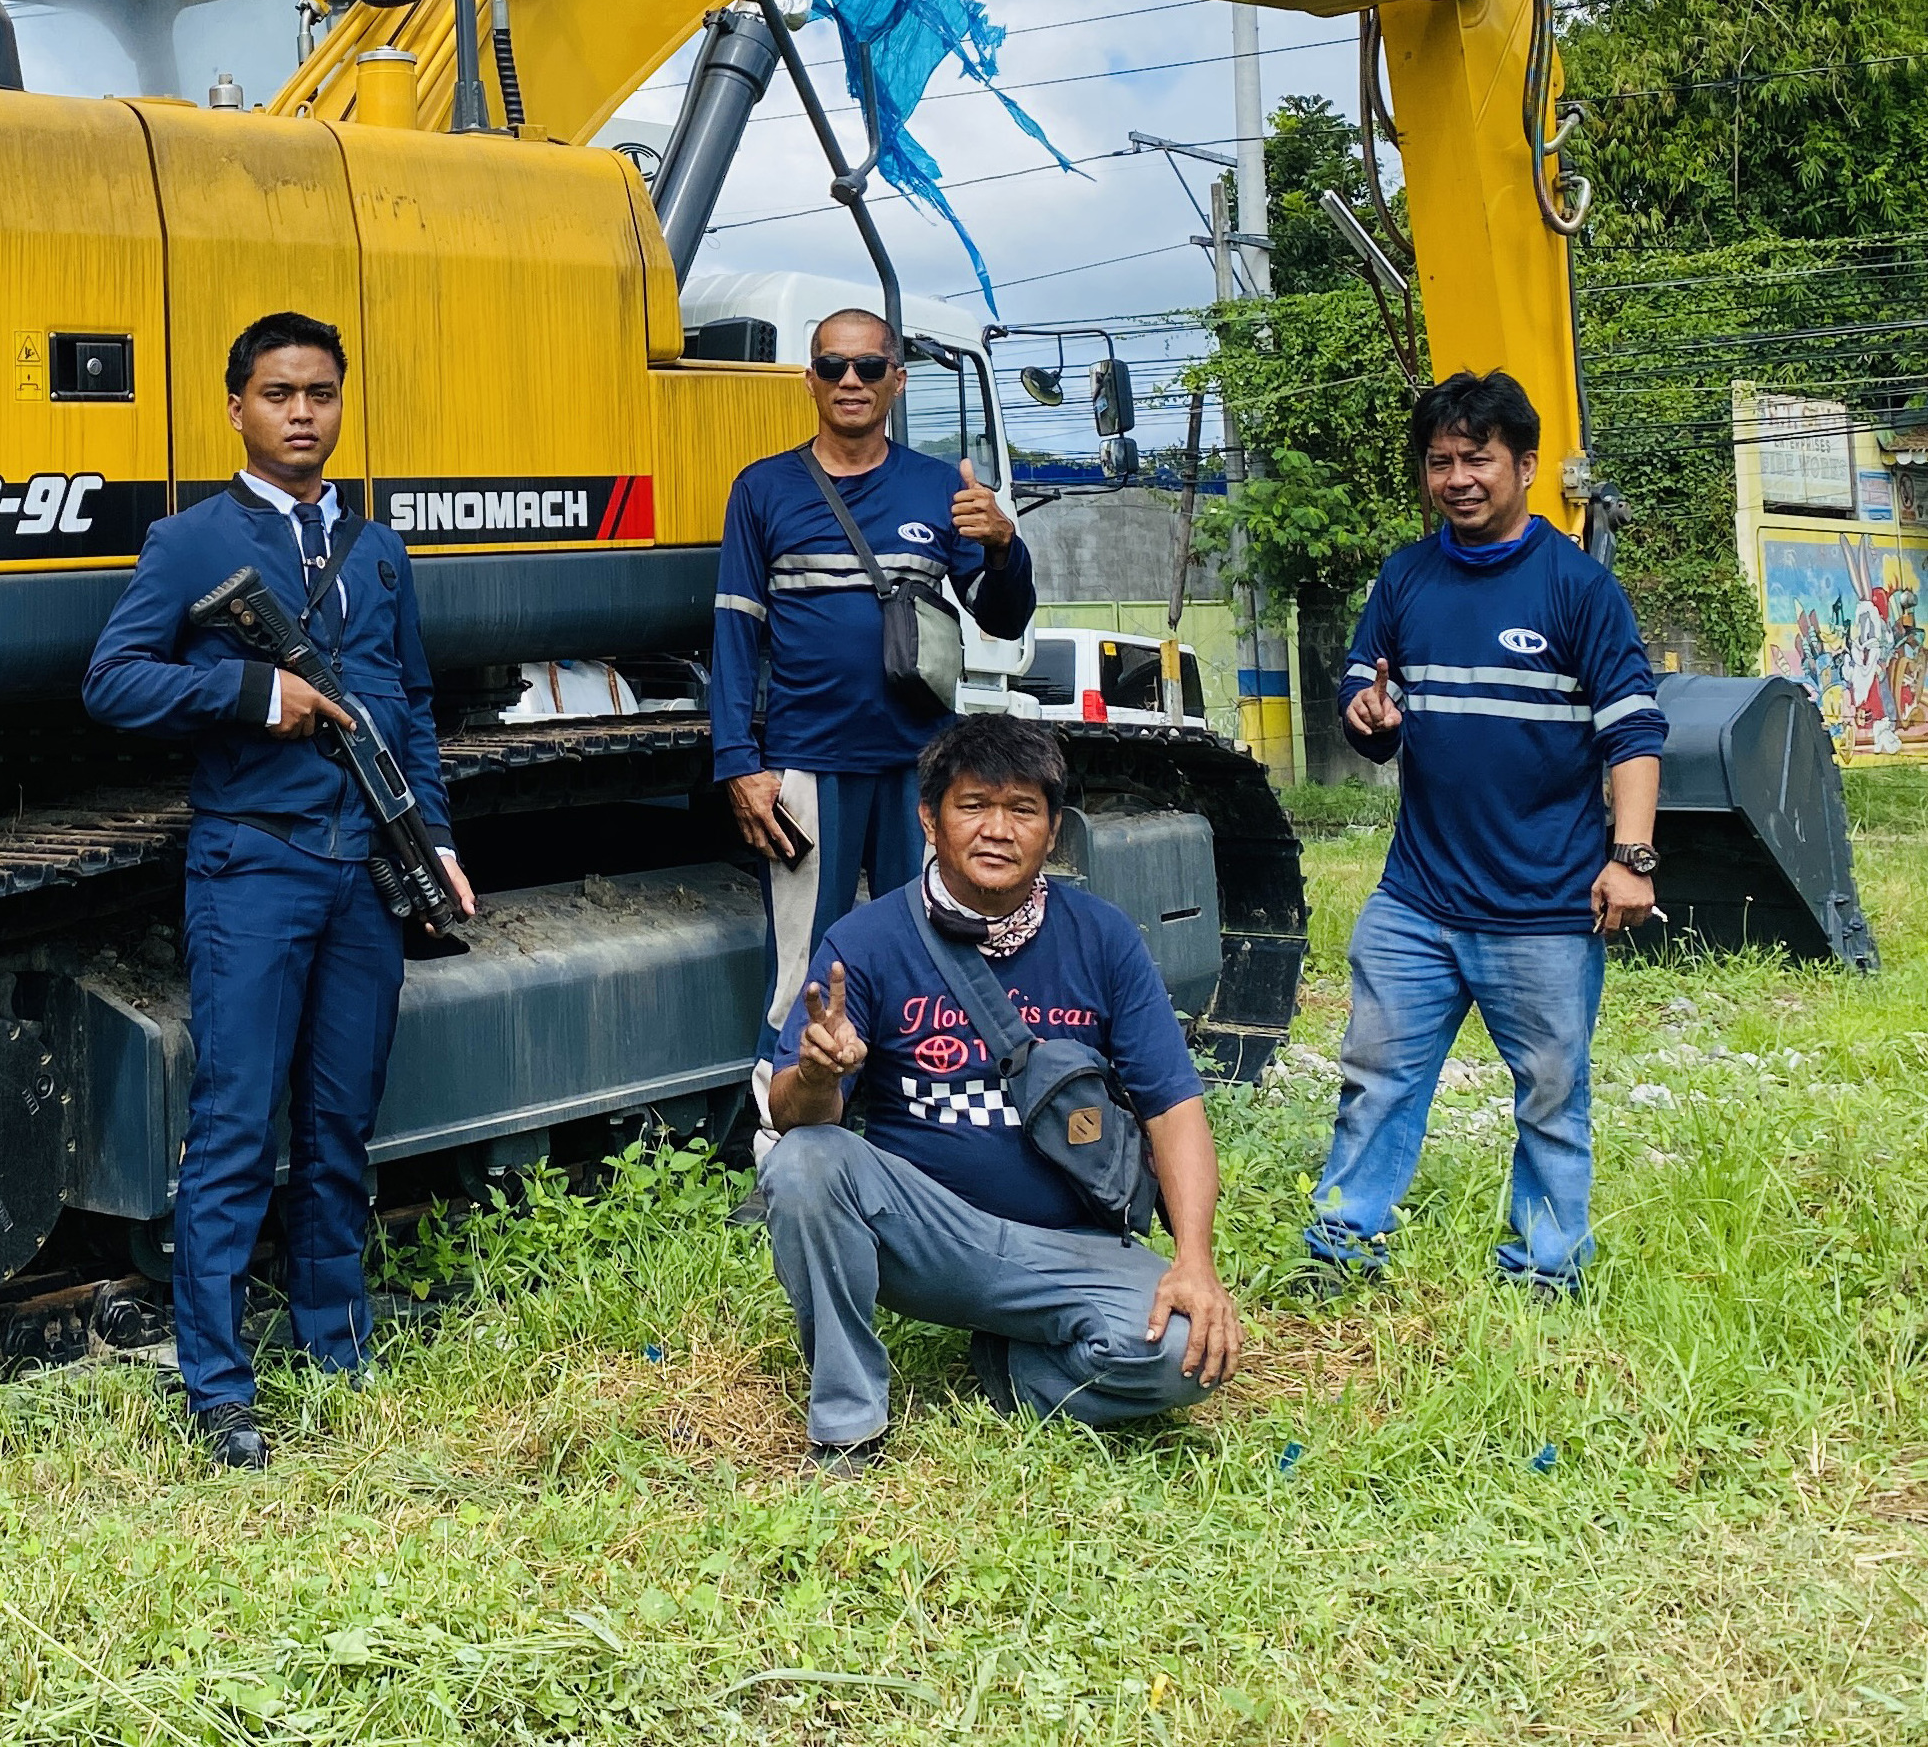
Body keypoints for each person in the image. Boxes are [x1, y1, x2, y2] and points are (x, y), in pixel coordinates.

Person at [82, 310, 477, 1469]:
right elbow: (113, 683)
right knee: (237, 1128)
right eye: (278, 393)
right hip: (251, 865)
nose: (302, 412)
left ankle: (333, 1344)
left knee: (343, 1122)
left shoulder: (381, 551)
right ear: (236, 409)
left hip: (367, 870)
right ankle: (218, 1385)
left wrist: (436, 841)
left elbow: (410, 711)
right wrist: (259, 697)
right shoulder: (194, 544)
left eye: (320, 393)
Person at [755, 711, 1241, 1471]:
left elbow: (1172, 1107)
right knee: (805, 1162)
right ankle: (848, 1423)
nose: (997, 829)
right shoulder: (868, 941)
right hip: (928, 1239)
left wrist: (1195, 1262)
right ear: (930, 819)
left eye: (1023, 810)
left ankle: (1014, 1369)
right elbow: (795, 1117)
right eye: (973, 805)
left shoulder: (1103, 937)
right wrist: (819, 1074)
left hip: (1068, 1246)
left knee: (1184, 1353)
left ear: (1052, 832)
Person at [1304, 368, 1666, 1296]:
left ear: (1527, 466)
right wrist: (1368, 714)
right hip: (1417, 901)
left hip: (1544, 909)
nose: (1458, 478)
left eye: (1478, 459)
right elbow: (1361, 690)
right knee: (1375, 1080)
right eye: (1440, 462)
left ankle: (1545, 1272)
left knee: (1551, 1098)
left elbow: (1631, 730)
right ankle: (1343, 1247)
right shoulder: (1405, 577)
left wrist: (1631, 858)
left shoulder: (1578, 589)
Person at [711, 306, 1036, 1025]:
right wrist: (738, 763)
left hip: (922, 770)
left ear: (898, 382)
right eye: (832, 365)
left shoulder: (937, 489)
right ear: (810, 380)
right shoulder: (763, 490)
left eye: (868, 367)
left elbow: (1002, 618)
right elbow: (735, 633)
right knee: (803, 969)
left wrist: (1004, 548)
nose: (849, 380)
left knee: (930, 956)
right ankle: (783, 1130)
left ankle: (915, 1122)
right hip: (806, 764)